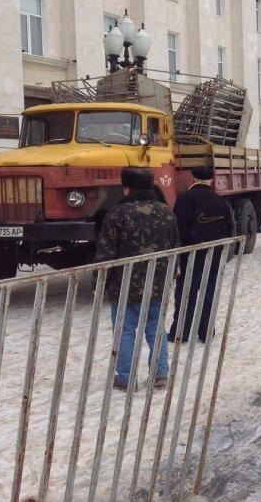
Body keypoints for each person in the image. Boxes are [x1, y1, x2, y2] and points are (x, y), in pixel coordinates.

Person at [95, 167, 179, 391]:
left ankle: (126, 377)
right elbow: (175, 247)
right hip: (157, 283)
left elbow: (106, 253)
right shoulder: (166, 212)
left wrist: (99, 282)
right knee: (155, 327)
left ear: (126, 187)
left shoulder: (117, 213)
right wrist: (170, 277)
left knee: (125, 330)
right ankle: (160, 373)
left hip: (125, 285)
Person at [169, 167, 235, 343]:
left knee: (186, 293)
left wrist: (177, 257)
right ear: (211, 181)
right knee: (209, 292)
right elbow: (229, 230)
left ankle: (181, 332)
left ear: (193, 178)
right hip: (213, 255)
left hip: (190, 255)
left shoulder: (185, 199)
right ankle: (206, 331)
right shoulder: (222, 202)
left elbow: (179, 230)